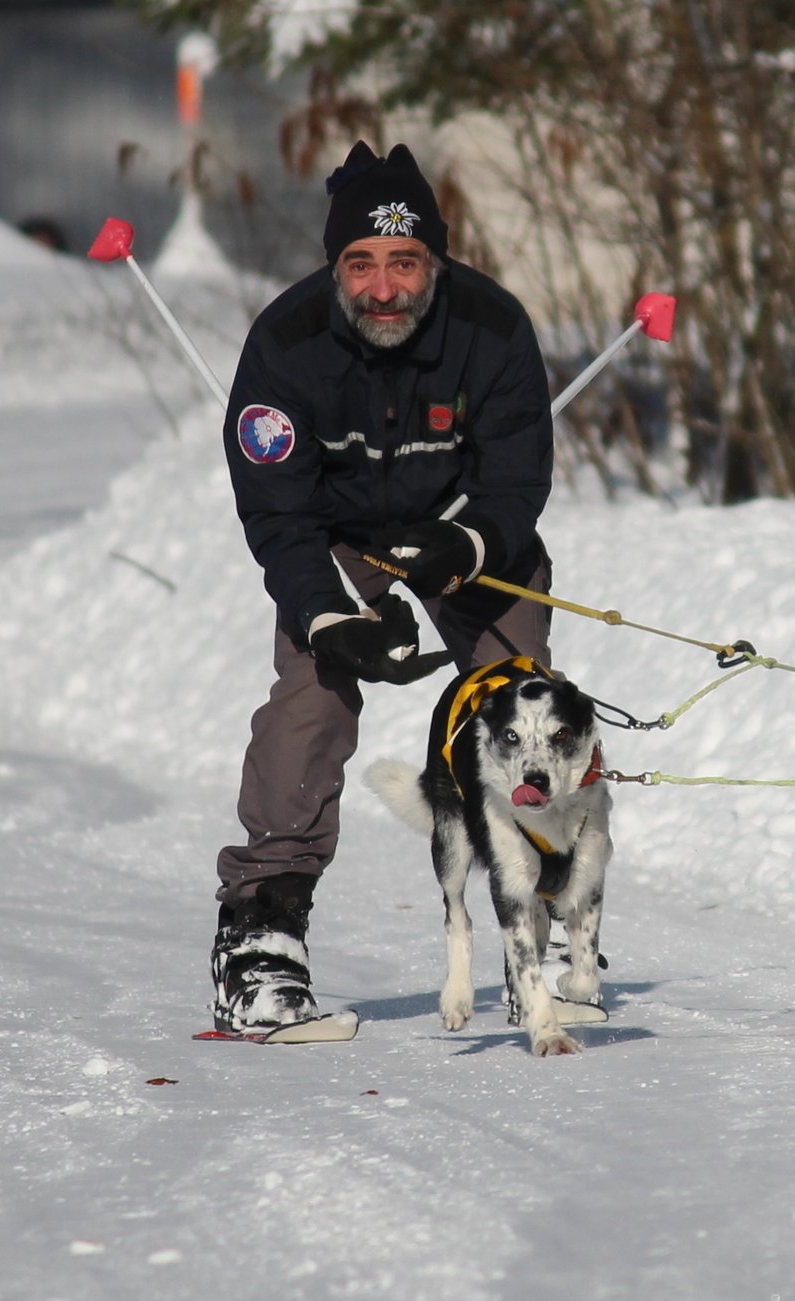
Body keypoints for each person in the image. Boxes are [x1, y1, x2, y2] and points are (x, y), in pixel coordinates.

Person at [212, 141, 556, 1033]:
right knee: (312, 703)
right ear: (336, 268)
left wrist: (467, 542)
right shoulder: (283, 348)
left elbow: (518, 481)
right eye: (361, 265)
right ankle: (261, 934)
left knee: (520, 697)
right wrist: (330, 616)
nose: (384, 287)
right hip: (333, 541)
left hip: (461, 530)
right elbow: (277, 515)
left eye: (405, 263)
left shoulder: (493, 327)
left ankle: (545, 918)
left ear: (435, 263)